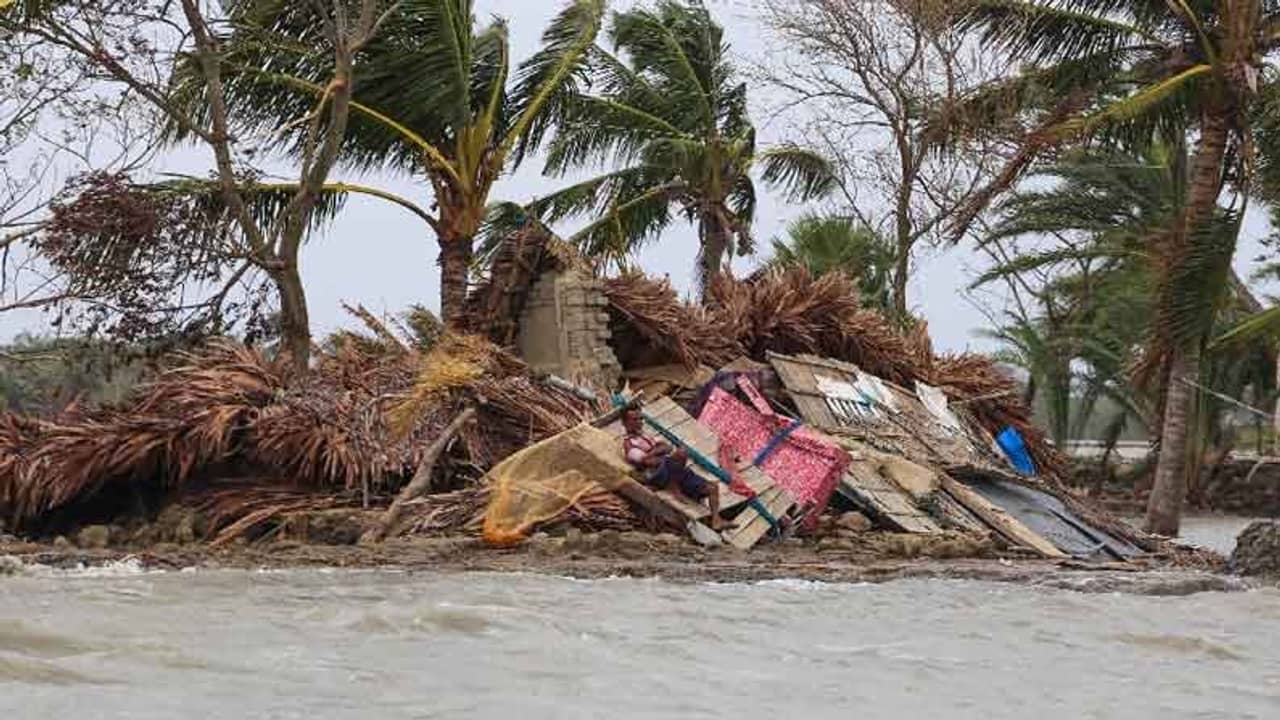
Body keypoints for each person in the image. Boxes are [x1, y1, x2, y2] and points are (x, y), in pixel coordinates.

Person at [621, 407, 725, 530]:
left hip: (672, 469)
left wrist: (653, 452)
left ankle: (716, 520)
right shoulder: (629, 444)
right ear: (625, 423)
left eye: (640, 418)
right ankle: (674, 487)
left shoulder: (646, 437)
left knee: (713, 487)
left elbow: (667, 447)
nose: (639, 422)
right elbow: (648, 462)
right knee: (681, 453)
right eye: (635, 419)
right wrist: (657, 452)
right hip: (658, 475)